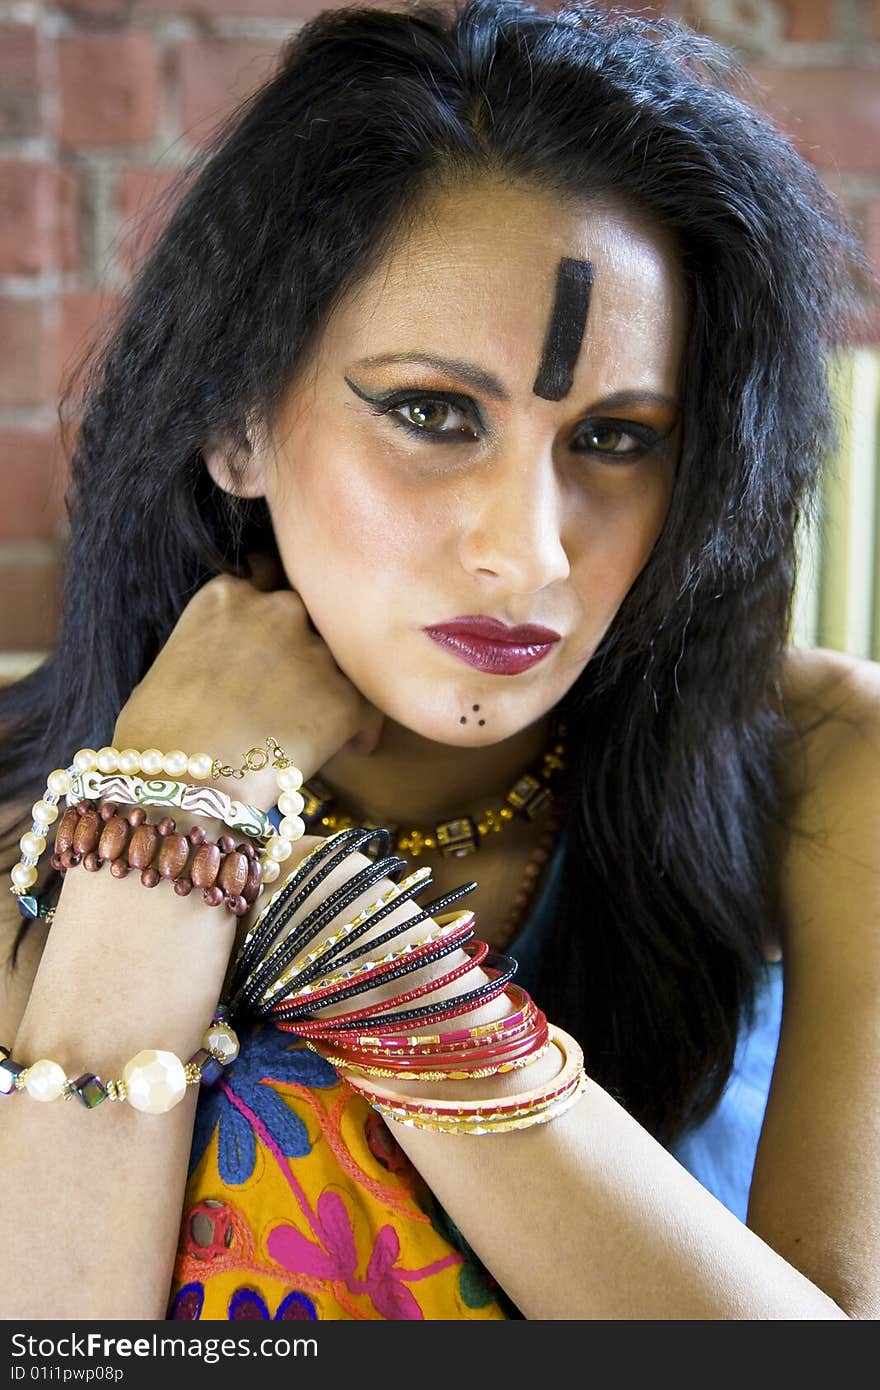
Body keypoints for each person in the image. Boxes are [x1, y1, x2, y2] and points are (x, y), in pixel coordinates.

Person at [0, 0, 877, 1322]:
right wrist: (159, 835)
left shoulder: (829, 774)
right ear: (237, 425)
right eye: (432, 413)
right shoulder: (28, 820)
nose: (526, 557)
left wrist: (293, 892)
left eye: (617, 439)